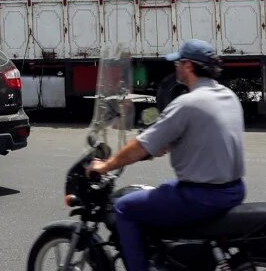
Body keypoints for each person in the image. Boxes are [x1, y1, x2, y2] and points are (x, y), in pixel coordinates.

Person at [85, 40, 246, 271]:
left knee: (124, 207)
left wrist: (106, 165)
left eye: (179, 63)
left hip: (202, 196)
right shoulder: (227, 96)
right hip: (233, 190)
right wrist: (166, 145)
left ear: (189, 66)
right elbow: (204, 136)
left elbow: (142, 146)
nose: (176, 67)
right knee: (161, 191)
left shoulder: (186, 103)